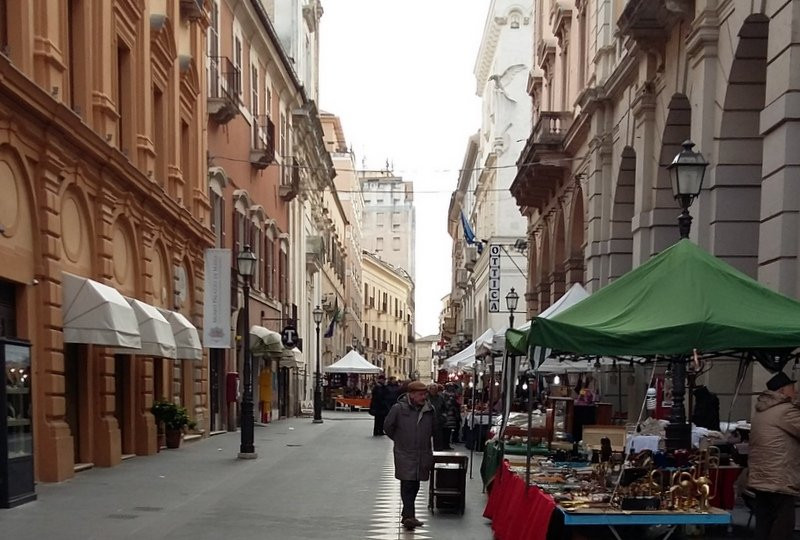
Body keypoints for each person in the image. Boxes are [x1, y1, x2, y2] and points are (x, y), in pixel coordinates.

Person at [749, 371, 800, 540]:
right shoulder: (785, 410)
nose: (796, 391)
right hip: (779, 476)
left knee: (765, 521)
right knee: (783, 523)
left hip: (762, 475)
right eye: (793, 388)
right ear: (783, 391)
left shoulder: (762, 410)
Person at [384, 380, 434, 530]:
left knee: (416, 484)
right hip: (405, 452)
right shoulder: (399, 409)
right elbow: (388, 426)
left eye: (425, 394)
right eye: (420, 394)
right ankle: (409, 516)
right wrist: (400, 440)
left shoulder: (429, 409)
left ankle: (407, 514)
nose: (423, 397)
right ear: (411, 395)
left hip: (422, 452)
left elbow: (434, 428)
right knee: (407, 484)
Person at [427, 384, 448, 451]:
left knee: (438, 436)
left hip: (438, 419)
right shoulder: (426, 398)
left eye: (435, 389)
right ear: (429, 390)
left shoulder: (440, 398)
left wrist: (444, 416)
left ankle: (438, 449)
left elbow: (445, 408)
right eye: (432, 389)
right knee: (426, 436)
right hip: (428, 420)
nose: (434, 391)